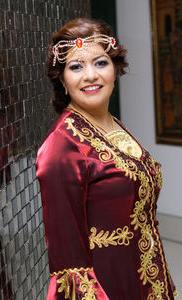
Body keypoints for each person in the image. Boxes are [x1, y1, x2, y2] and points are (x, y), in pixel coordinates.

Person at [36, 18, 177, 299]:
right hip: (109, 287)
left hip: (149, 281)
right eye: (76, 66)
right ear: (62, 79)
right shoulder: (61, 147)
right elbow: (68, 264)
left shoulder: (112, 125)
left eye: (100, 63)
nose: (91, 75)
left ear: (115, 69)